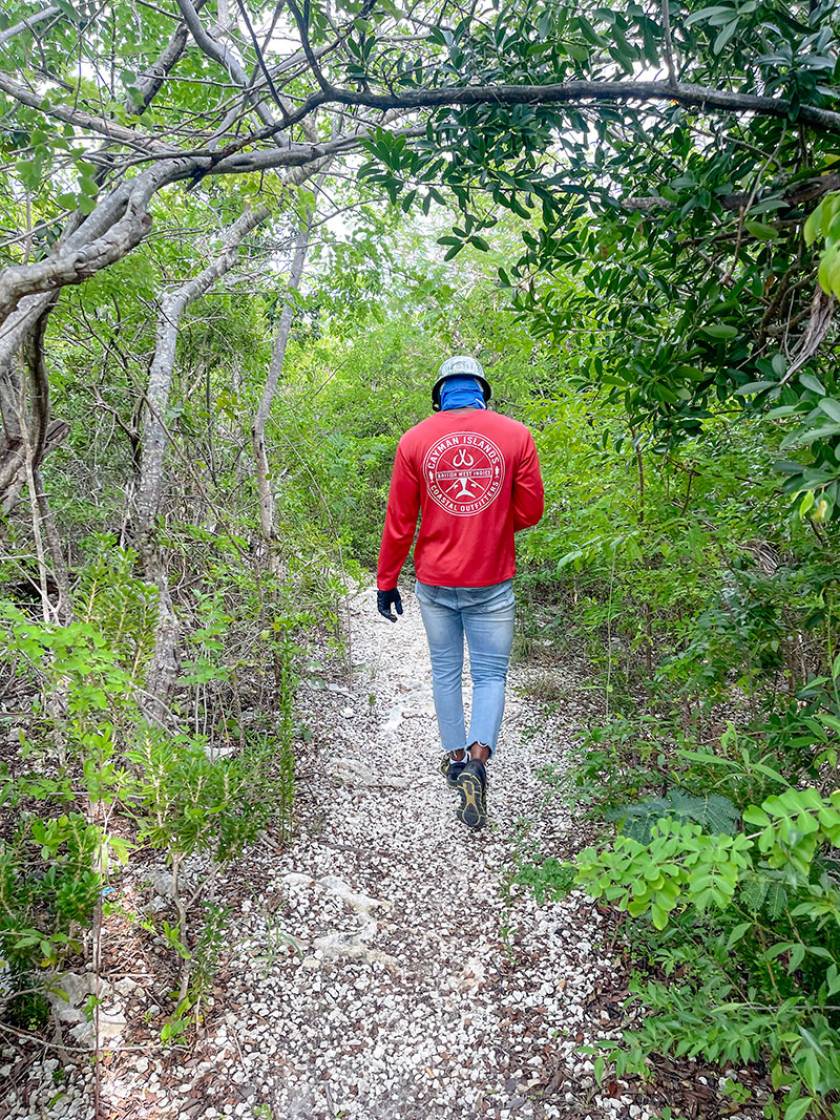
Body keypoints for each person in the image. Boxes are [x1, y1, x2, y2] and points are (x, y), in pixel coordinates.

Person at [376, 355, 544, 830]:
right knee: (490, 674)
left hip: (434, 579)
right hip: (491, 580)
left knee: (446, 672)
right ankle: (478, 762)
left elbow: (400, 519)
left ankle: (453, 762)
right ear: (482, 391)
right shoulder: (517, 436)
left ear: (440, 393)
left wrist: (386, 580)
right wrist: (491, 524)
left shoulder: (414, 440)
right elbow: (531, 512)